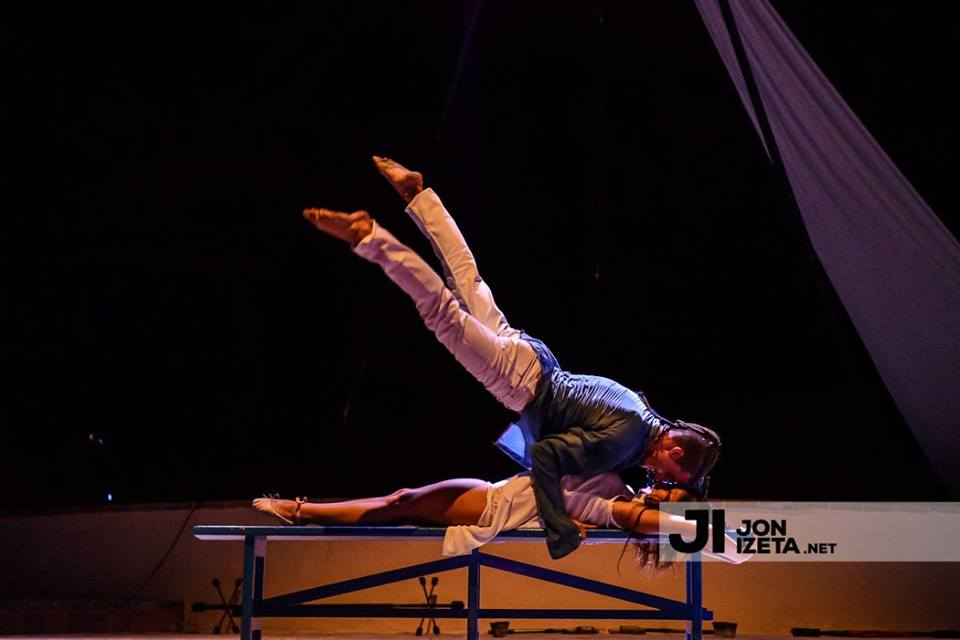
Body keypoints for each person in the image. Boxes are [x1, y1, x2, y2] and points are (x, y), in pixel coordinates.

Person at [299, 156, 722, 559]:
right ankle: (371, 239)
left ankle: (419, 195)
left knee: (467, 280)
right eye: (671, 475)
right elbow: (546, 456)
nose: (659, 477)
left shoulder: (639, 411)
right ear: (675, 452)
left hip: (537, 358)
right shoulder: (626, 441)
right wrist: (559, 526)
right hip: (521, 383)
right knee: (442, 315)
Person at [253, 471, 738, 568]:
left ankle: (298, 510)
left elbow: (673, 526)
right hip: (506, 493)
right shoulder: (625, 495)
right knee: (400, 503)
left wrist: (716, 534)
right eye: (667, 487)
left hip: (501, 504)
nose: (660, 489)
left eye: (669, 496)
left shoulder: (631, 513)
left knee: (400, 502)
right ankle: (299, 509)